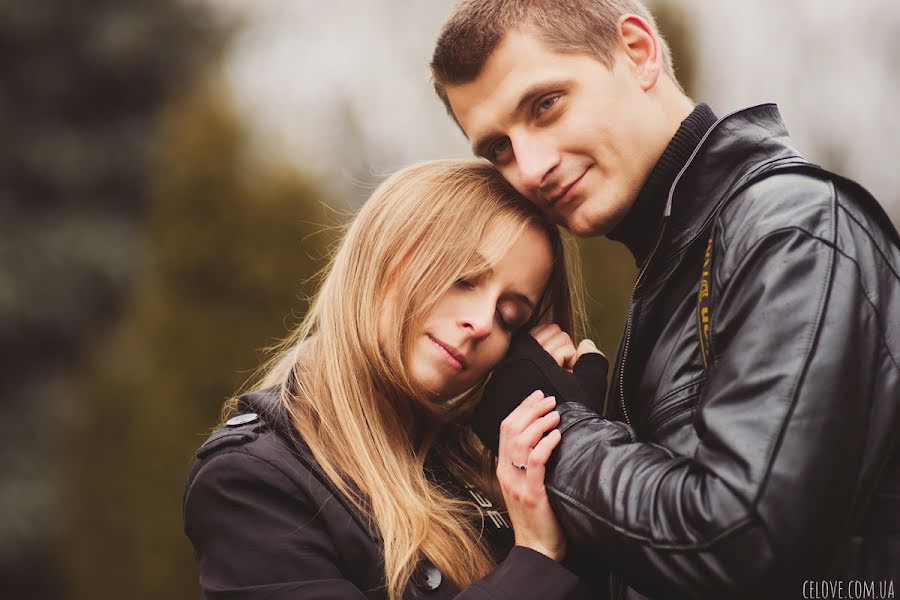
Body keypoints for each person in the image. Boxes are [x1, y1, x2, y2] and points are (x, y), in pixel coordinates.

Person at [429, 1, 900, 598]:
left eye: (545, 105)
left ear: (639, 51)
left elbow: (741, 542)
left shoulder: (789, 230)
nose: (532, 167)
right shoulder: (673, 267)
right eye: (498, 148)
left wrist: (553, 428)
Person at [183, 159, 609, 600]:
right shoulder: (253, 482)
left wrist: (570, 455)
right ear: (383, 256)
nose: (482, 324)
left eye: (510, 318)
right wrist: (534, 559)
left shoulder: (496, 470)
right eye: (462, 279)